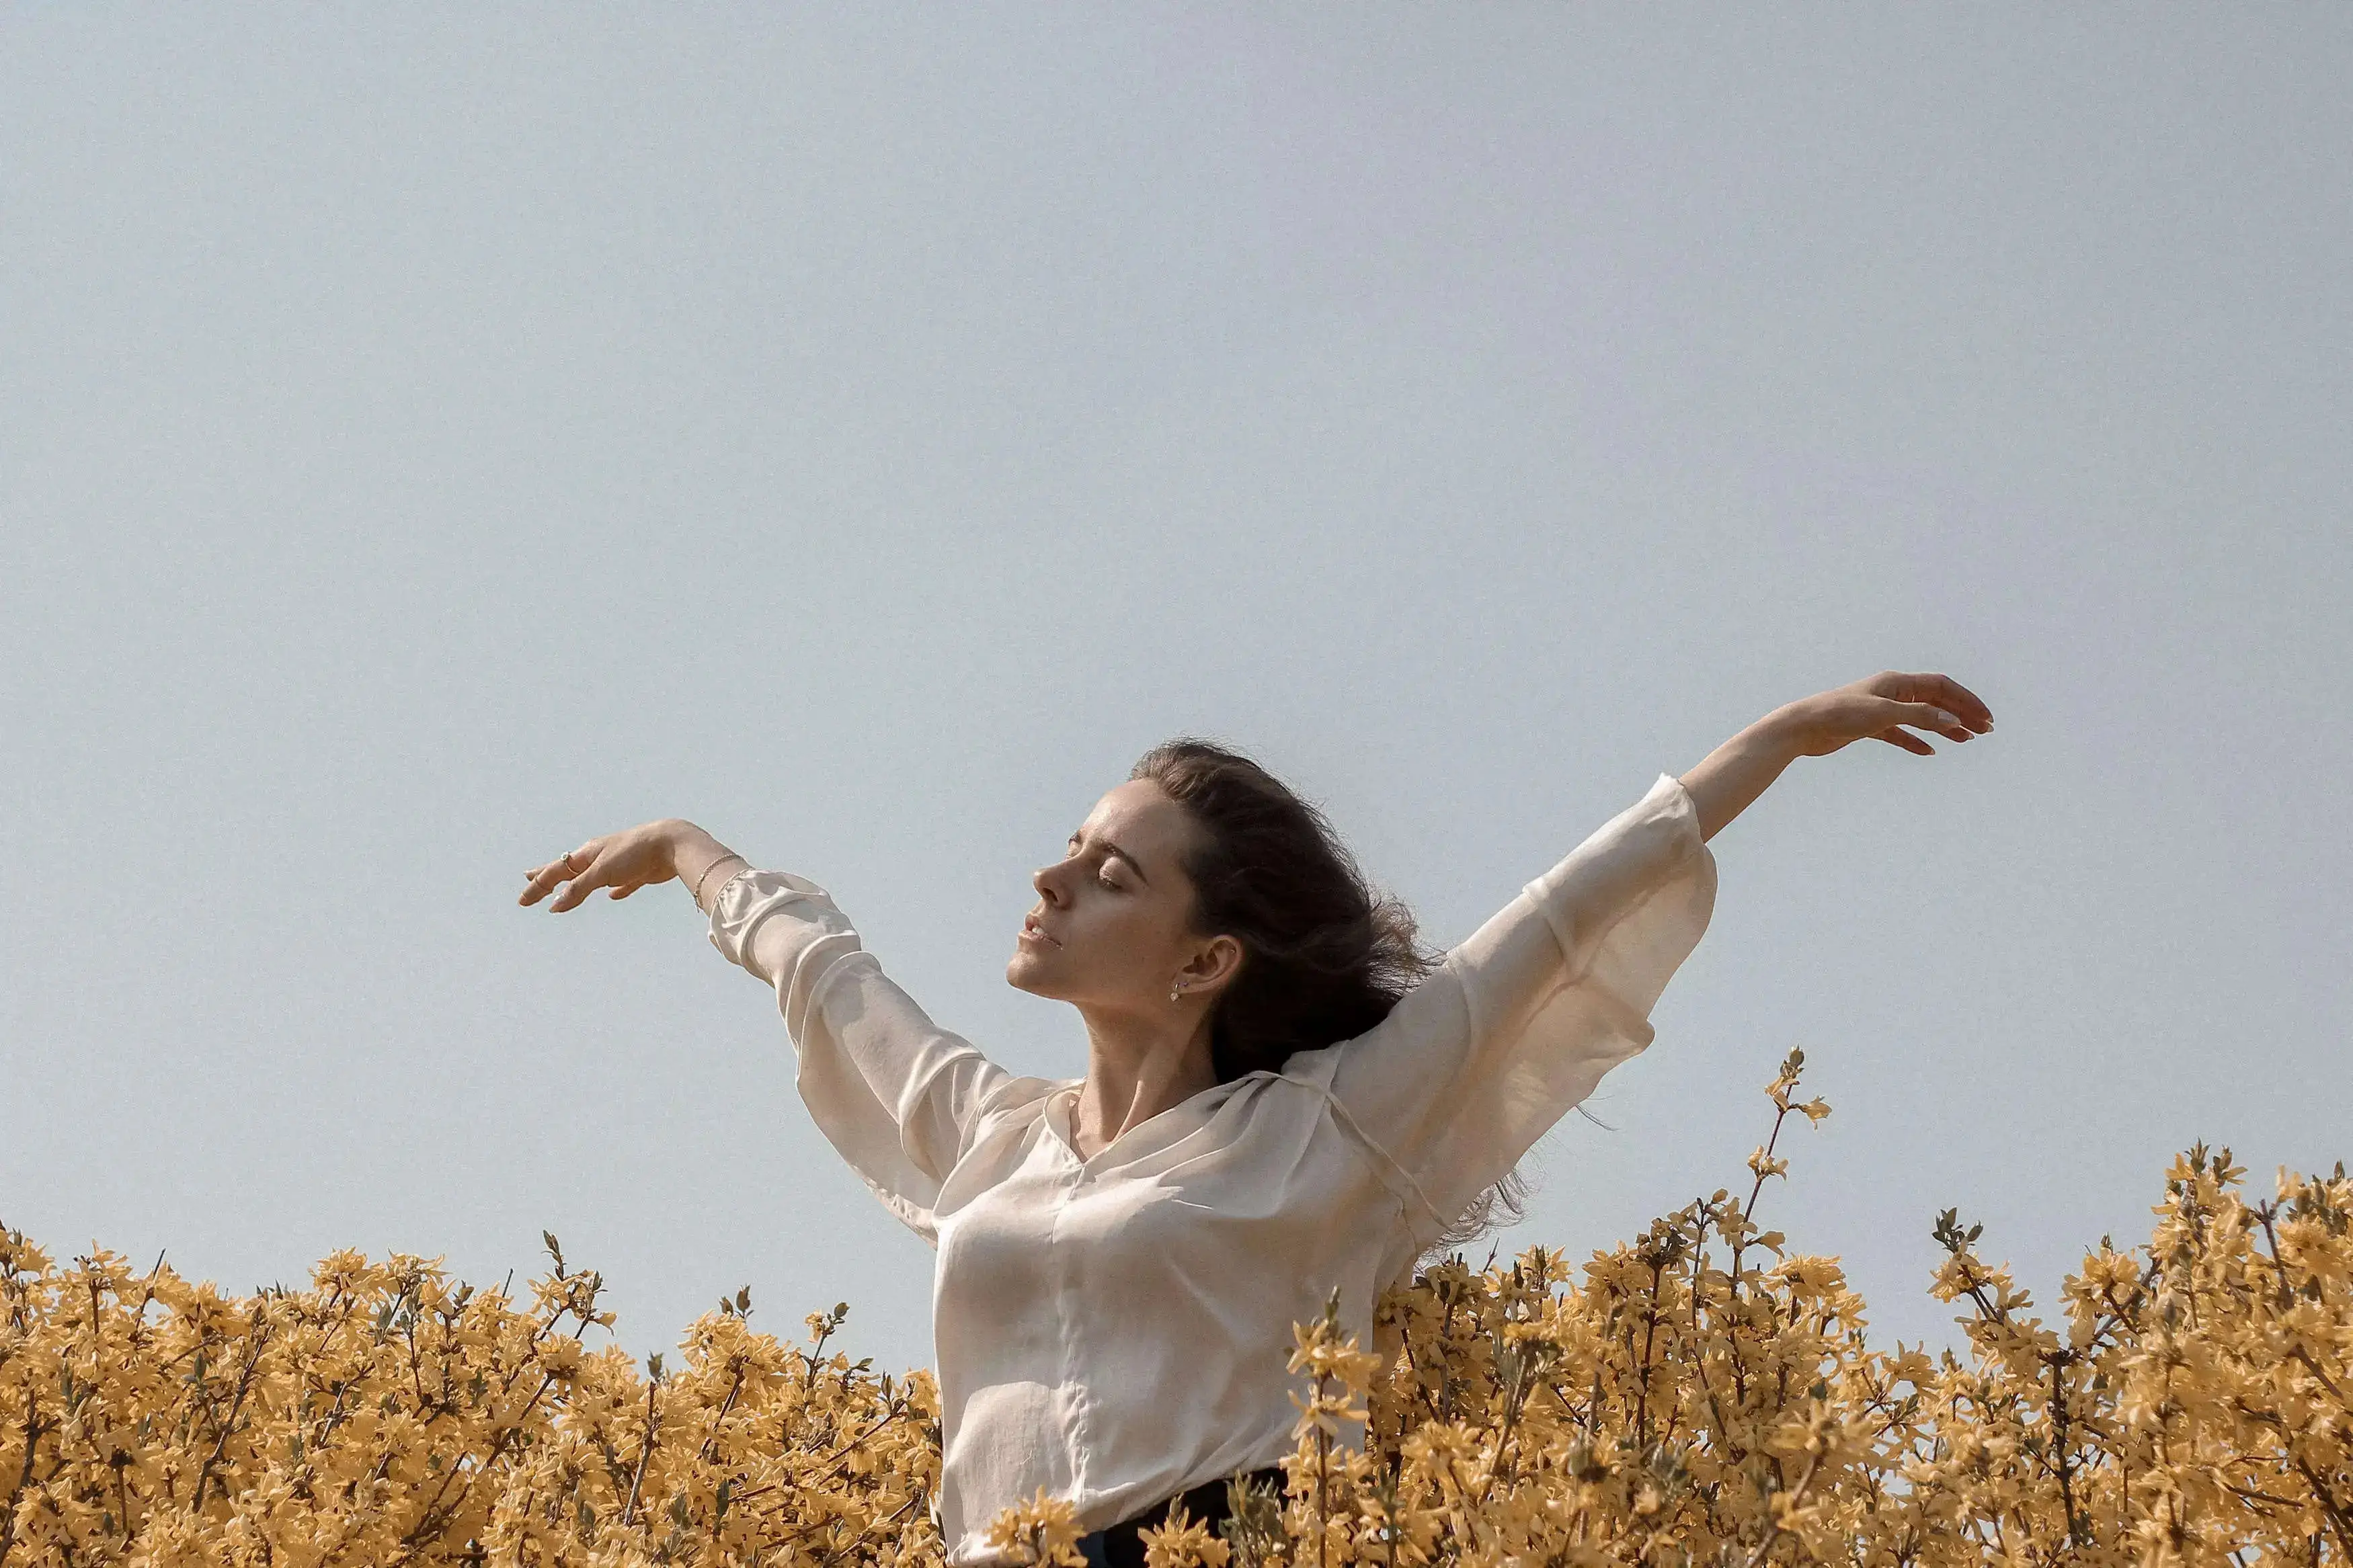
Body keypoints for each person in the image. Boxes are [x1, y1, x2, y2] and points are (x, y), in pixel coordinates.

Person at [520, 670, 1991, 1566]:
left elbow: (1547, 930)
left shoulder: (1326, 1126)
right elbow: (830, 978)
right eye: (1070, 849)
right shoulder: (992, 1132)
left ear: (1205, 958)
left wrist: (1779, 739)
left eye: (1110, 874)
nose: (1050, 880)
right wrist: (689, 850)